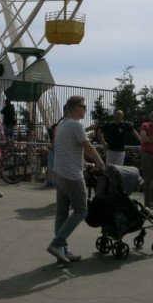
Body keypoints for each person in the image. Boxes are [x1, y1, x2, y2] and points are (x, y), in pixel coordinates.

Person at [47, 96, 105, 264]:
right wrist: (101, 164)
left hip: (59, 174)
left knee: (62, 213)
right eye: (83, 106)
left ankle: (62, 250)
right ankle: (57, 244)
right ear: (74, 107)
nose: (85, 110)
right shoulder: (76, 125)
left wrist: (85, 163)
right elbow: (88, 147)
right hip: (72, 176)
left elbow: (67, 150)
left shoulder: (62, 125)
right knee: (81, 210)